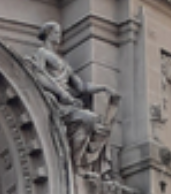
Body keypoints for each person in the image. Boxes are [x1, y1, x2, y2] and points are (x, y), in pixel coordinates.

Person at [26, 22, 119, 173]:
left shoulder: (63, 63)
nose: (59, 36)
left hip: (68, 104)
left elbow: (82, 87)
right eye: (56, 32)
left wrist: (103, 88)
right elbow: (39, 76)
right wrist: (63, 94)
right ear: (48, 34)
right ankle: (77, 165)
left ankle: (80, 163)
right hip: (56, 103)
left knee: (97, 123)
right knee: (88, 118)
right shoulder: (42, 53)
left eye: (59, 32)